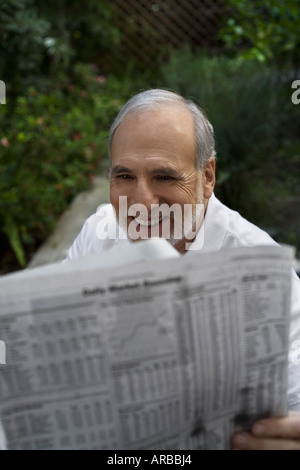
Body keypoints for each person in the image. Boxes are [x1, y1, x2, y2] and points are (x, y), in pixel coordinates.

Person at [66, 88, 300, 450]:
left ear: (207, 177)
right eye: (124, 176)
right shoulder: (97, 235)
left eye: (165, 177)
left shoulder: (258, 266)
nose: (142, 202)